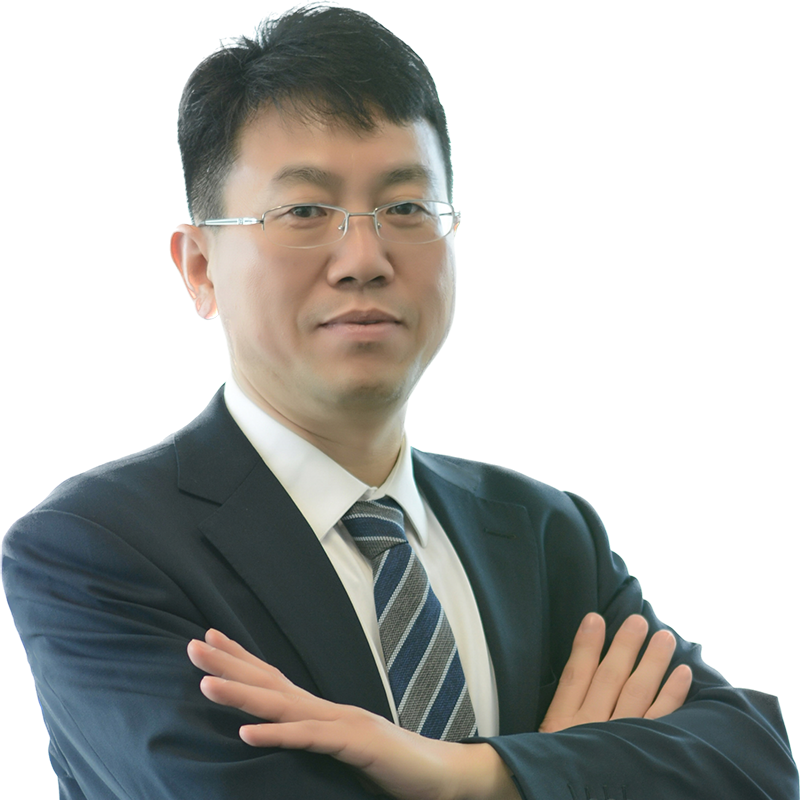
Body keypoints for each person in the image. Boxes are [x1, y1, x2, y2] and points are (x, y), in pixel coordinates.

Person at [2, 6, 797, 800]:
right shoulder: (98, 551)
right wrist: (565, 771)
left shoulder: (547, 536)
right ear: (200, 268)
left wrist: (472, 775)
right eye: (305, 212)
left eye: (406, 208)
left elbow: (754, 764)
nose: (364, 257)